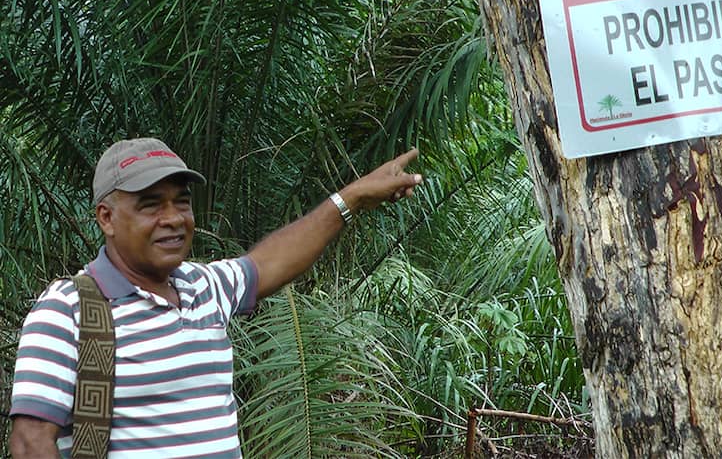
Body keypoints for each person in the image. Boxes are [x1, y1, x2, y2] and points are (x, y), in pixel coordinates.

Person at [9, 137, 422, 458]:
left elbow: (269, 261)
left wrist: (352, 198)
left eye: (182, 203)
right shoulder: (69, 310)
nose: (173, 219)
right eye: (151, 206)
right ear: (107, 218)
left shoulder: (204, 286)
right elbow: (30, 443)